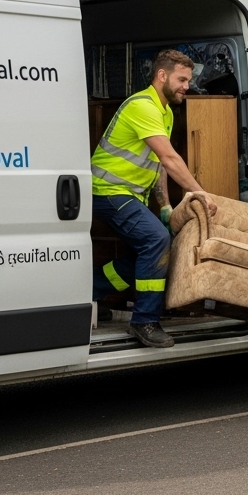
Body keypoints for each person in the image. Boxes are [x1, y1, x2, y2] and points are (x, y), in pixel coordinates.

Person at [90, 49, 218, 349]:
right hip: (107, 191)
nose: (187, 86)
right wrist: (199, 192)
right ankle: (145, 320)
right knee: (157, 241)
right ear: (162, 76)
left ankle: (88, 290)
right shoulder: (143, 106)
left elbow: (157, 164)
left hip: (126, 195)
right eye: (182, 79)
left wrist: (164, 205)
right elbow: (170, 158)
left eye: (189, 79)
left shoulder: (165, 111)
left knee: (150, 252)